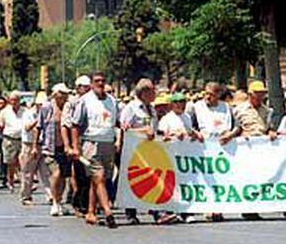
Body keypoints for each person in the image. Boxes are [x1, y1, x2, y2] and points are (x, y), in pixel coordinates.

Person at [72, 71, 119, 228]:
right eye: (97, 81)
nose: (100, 83)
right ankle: (107, 212)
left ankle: (91, 212)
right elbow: (75, 125)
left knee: (100, 179)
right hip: (91, 143)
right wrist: (75, 146)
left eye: (103, 80)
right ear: (91, 84)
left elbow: (117, 123)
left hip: (108, 143)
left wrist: (118, 139)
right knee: (98, 176)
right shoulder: (84, 101)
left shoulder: (112, 101)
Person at [187, 82, 240, 222]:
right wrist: (196, 134)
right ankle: (207, 208)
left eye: (211, 94)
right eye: (206, 93)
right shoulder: (196, 107)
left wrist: (230, 135)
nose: (207, 96)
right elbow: (189, 126)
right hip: (204, 148)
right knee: (206, 179)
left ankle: (218, 208)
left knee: (221, 179)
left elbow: (237, 127)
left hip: (224, 148)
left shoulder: (227, 108)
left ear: (218, 94)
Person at [234, 80, 280, 220]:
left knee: (258, 178)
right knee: (246, 178)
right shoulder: (238, 110)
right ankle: (245, 207)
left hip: (261, 150)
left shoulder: (267, 111)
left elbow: (269, 128)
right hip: (245, 149)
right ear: (250, 94)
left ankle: (253, 208)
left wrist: (272, 132)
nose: (260, 97)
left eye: (262, 94)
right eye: (258, 94)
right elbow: (234, 128)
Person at [120, 78, 163, 225]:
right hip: (134, 151)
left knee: (152, 179)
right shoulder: (131, 108)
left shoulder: (151, 109)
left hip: (149, 150)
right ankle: (131, 212)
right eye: (152, 91)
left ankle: (156, 212)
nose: (155, 93)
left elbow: (155, 129)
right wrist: (143, 130)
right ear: (144, 92)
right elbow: (124, 129)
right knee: (132, 180)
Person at [158, 92, 204, 223]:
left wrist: (196, 134)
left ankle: (186, 212)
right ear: (172, 104)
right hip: (171, 155)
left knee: (186, 183)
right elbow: (162, 136)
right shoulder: (166, 119)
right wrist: (173, 134)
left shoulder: (187, 117)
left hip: (185, 156)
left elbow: (189, 130)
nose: (181, 105)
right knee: (172, 184)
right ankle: (171, 211)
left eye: (183, 102)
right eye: (178, 102)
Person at [32, 83, 71, 216]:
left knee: (64, 176)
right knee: (57, 173)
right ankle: (54, 202)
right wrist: (34, 146)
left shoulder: (68, 107)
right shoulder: (47, 108)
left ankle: (60, 201)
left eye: (66, 94)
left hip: (65, 148)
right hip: (50, 147)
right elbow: (38, 126)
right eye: (62, 94)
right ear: (55, 94)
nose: (64, 96)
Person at [61, 75, 91, 216]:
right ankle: (78, 204)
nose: (87, 89)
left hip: (91, 142)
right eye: (84, 86)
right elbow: (66, 125)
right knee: (80, 177)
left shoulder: (93, 101)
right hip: (77, 143)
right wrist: (69, 145)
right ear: (78, 87)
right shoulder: (71, 103)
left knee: (92, 176)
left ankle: (88, 204)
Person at [19, 92, 51, 205]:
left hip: (43, 144)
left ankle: (51, 195)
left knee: (46, 172)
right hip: (29, 144)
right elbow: (27, 128)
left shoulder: (48, 112)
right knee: (27, 172)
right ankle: (26, 196)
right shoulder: (28, 113)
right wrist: (38, 120)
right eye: (40, 105)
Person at [0, 91, 25, 192]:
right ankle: (11, 182)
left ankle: (24, 183)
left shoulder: (25, 111)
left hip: (22, 139)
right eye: (12, 100)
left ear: (19, 100)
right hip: (9, 139)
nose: (14, 102)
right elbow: (0, 126)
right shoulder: (4, 112)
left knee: (23, 162)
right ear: (9, 100)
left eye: (16, 100)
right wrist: (5, 135)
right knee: (10, 163)